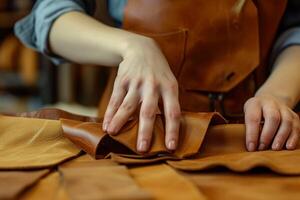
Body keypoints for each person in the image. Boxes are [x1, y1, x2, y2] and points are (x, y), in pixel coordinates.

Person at [15, 0, 300, 153]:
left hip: (262, 137)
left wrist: (277, 94)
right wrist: (132, 46)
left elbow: (294, 27)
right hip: (139, 139)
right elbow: (50, 18)